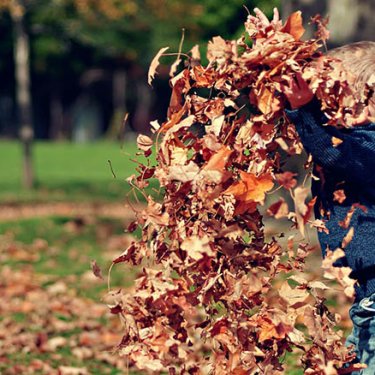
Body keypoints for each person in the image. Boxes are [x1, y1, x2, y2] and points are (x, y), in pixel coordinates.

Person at [285, 41, 375, 374]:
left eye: (332, 99)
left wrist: (302, 111)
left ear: (365, 101)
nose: (325, 109)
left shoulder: (369, 146)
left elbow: (333, 151)